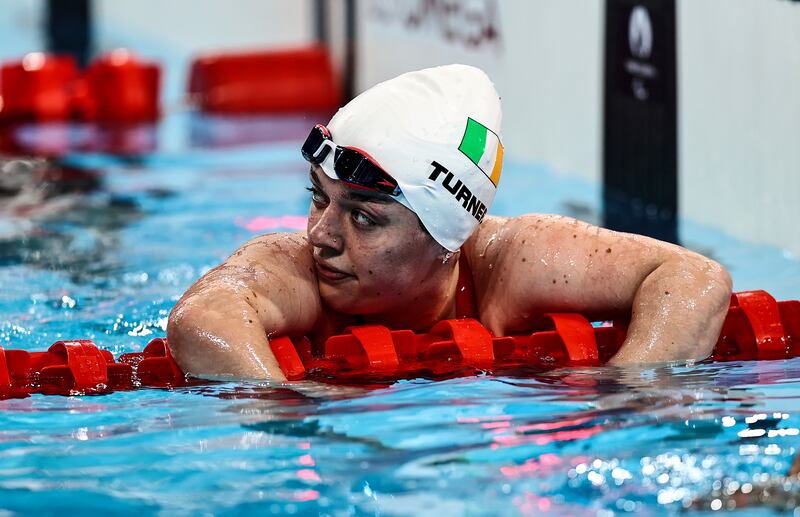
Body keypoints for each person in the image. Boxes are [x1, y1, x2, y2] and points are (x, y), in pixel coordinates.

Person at [166, 64, 732, 381]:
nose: (321, 235)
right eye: (319, 198)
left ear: (446, 236)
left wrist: (629, 395)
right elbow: (204, 319)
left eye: (363, 216)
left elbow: (692, 278)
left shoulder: (513, 261)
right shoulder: (298, 270)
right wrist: (286, 423)